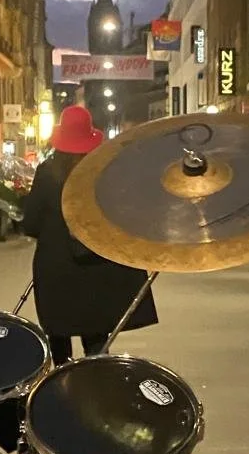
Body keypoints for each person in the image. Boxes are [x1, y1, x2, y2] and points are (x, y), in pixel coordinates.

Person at [22, 104, 157, 364]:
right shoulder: (103, 172)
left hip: (56, 268)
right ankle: (95, 388)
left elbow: (31, 224)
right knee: (96, 340)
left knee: (58, 341)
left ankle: (62, 391)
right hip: (97, 266)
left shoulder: (47, 173)